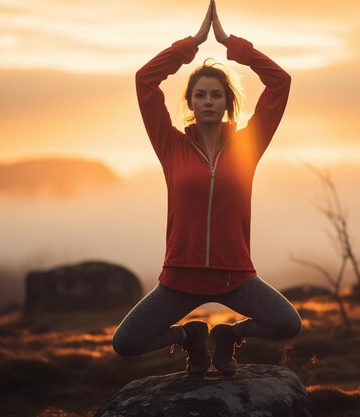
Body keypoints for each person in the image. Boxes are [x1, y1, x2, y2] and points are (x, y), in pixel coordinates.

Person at [112, 0, 301, 376]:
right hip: (180, 277)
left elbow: (280, 82)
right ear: (191, 103)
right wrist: (192, 44)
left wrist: (234, 46)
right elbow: (144, 80)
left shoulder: (249, 146)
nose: (209, 101)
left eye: (217, 95)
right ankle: (190, 337)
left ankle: (229, 338)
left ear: (228, 103)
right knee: (126, 342)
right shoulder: (171, 146)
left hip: (236, 275)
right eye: (200, 95)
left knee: (287, 323)